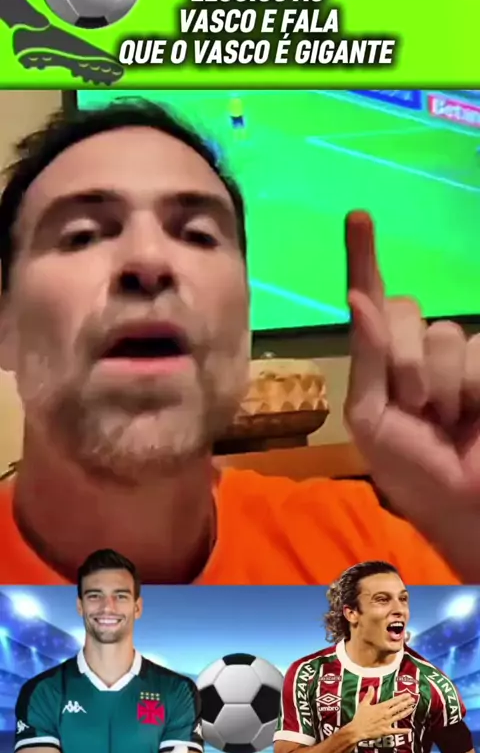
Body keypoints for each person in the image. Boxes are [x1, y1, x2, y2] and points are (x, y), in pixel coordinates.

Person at [0, 99, 479, 586]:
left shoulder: (370, 555)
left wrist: (465, 530)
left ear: (246, 316)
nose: (148, 261)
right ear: (4, 325)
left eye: (198, 235)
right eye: (81, 236)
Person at [273, 561, 477, 753]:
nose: (399, 609)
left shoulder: (434, 684)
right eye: (382, 600)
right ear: (352, 613)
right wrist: (353, 733)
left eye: (403, 599)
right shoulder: (308, 674)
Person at [13, 549, 204, 753]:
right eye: (95, 596)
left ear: (137, 607)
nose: (107, 607)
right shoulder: (43, 691)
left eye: (120, 596)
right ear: (80, 606)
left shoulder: (177, 691)